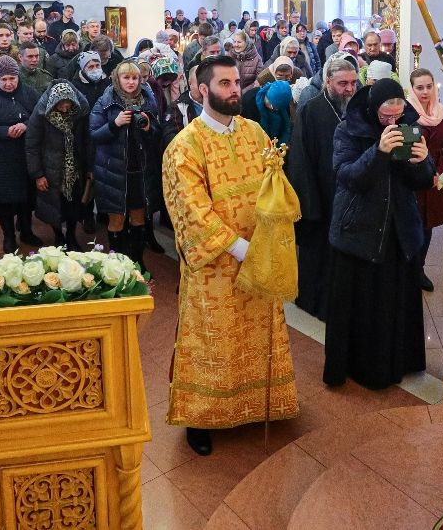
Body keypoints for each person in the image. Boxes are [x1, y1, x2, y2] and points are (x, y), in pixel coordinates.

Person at [162, 56, 298, 457]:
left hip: (258, 257)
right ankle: (201, 418)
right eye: (225, 83)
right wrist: (241, 248)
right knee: (211, 340)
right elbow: (192, 210)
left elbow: (274, 185)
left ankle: (256, 403)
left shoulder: (255, 132)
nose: (235, 89)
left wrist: (271, 236)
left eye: (237, 82)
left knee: (257, 333)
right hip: (215, 269)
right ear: (203, 90)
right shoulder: (184, 146)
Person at [325, 78, 433, 389]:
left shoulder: (410, 126)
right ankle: (360, 368)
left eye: (397, 115)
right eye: (386, 116)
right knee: (364, 307)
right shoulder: (348, 129)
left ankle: (400, 362)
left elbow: (422, 181)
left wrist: (422, 161)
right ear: (374, 109)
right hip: (359, 231)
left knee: (393, 304)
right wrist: (379, 151)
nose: (392, 122)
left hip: (398, 230)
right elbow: (347, 176)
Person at [284, 53, 358, 321]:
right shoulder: (311, 110)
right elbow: (300, 161)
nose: (349, 89)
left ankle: (337, 304)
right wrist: (309, 203)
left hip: (348, 195)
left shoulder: (357, 109)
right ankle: (311, 302)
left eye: (353, 83)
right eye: (342, 83)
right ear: (328, 82)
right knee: (317, 254)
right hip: (318, 195)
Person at [89, 62, 162, 266]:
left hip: (140, 171)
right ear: (117, 79)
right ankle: (117, 265)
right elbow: (94, 135)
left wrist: (149, 128)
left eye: (135, 78)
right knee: (116, 219)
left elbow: (158, 134)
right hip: (113, 172)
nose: (131, 82)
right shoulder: (105, 101)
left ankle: (137, 262)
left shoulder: (148, 100)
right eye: (126, 78)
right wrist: (115, 124)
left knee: (138, 218)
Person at [0, 56, 42, 252]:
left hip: (26, 153)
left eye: (12, 78)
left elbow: (39, 116)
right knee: (5, 199)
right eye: (3, 79)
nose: (8, 83)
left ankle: (27, 231)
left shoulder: (29, 92)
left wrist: (26, 125)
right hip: (2, 155)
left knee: (26, 196)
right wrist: (5, 131)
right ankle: (9, 236)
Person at [406, 68, 443, 292]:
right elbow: (407, 152)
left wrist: (440, 171)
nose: (425, 92)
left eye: (429, 86)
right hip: (414, 179)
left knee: (427, 227)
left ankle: (419, 270)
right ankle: (407, 270)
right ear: (412, 89)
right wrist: (425, 171)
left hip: (436, 180)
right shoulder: (407, 115)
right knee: (412, 226)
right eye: (420, 87)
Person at [26, 81, 93, 249]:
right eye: (60, 104)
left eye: (67, 103)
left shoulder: (80, 112)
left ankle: (71, 236)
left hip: (74, 169)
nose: (64, 107)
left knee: (74, 205)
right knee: (54, 206)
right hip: (51, 169)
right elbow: (32, 145)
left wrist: (89, 167)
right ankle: (58, 236)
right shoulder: (41, 114)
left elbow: (87, 141)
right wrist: (38, 174)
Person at [255, 79, 294, 145]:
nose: (274, 110)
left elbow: (286, 129)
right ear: (267, 95)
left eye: (278, 108)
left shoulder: (283, 105)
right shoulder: (250, 103)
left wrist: (281, 145)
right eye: (272, 106)